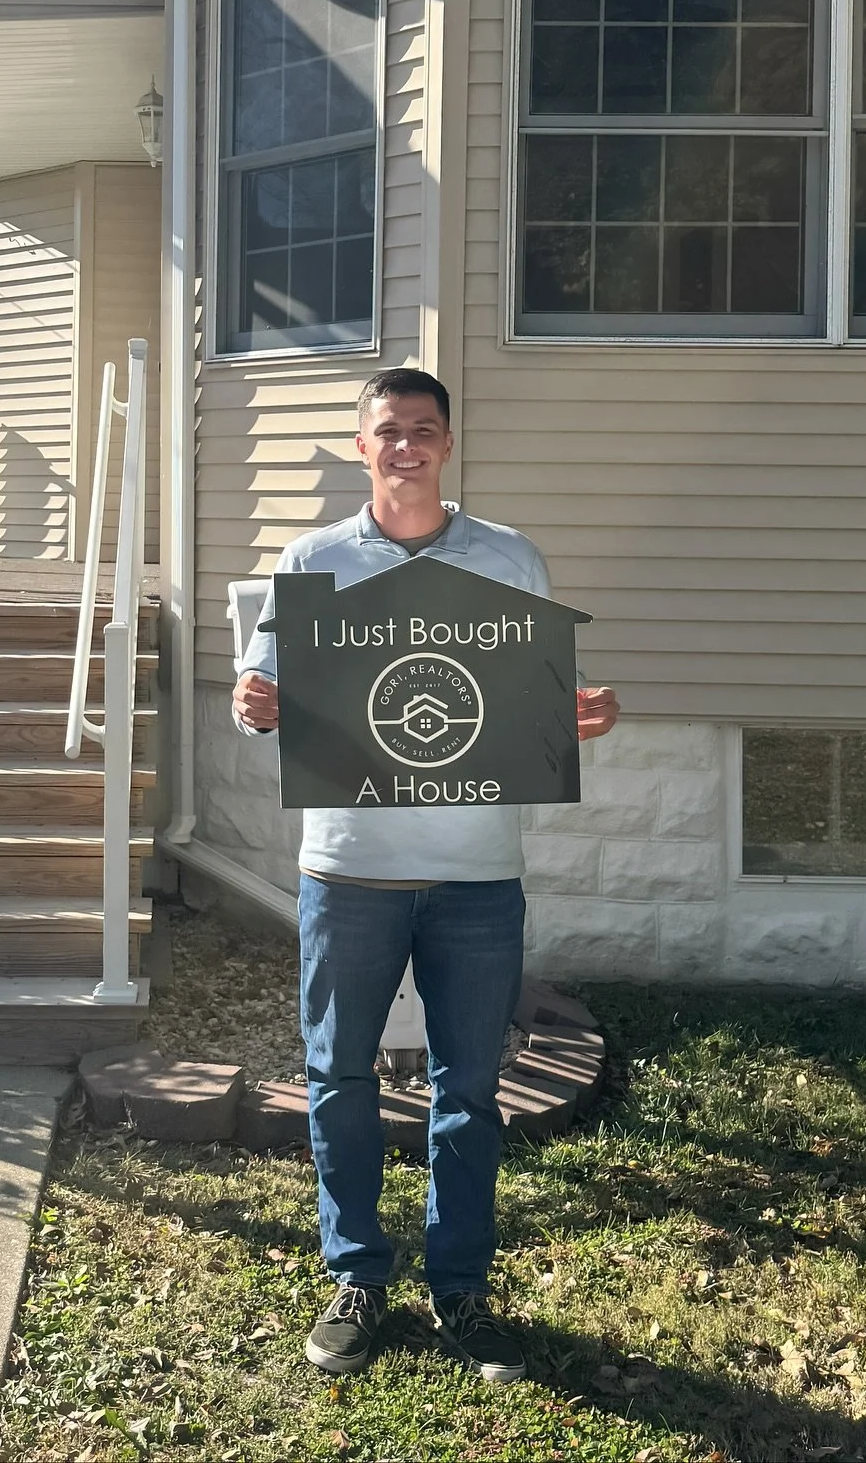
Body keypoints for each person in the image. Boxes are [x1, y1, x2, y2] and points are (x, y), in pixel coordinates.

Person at [232, 366, 619, 1383]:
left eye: (423, 430)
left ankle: (461, 1291)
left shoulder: (508, 558)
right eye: (387, 431)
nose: (405, 445)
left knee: (468, 1090)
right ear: (361, 447)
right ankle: (355, 1275)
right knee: (339, 1079)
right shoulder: (311, 560)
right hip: (348, 869)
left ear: (447, 444)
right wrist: (254, 705)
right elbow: (262, 693)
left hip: (476, 873)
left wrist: (582, 715)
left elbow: (539, 697)